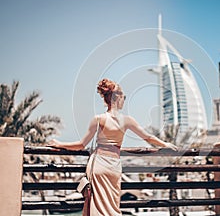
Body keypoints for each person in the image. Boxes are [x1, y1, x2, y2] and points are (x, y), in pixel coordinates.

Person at [47, 78, 178, 216]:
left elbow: (81, 144)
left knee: (96, 205)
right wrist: (165, 144)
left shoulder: (98, 119)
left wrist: (59, 144)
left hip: (98, 164)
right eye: (124, 97)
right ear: (118, 97)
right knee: (113, 206)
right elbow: (148, 137)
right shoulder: (127, 121)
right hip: (114, 165)